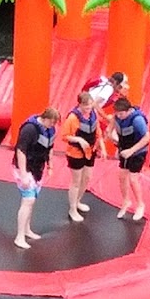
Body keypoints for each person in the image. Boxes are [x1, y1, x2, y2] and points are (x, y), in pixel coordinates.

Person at [12, 107, 58, 250]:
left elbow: (50, 148)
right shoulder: (30, 129)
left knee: (32, 201)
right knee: (28, 200)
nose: (52, 125)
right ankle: (19, 236)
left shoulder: (50, 130)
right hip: (24, 168)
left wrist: (50, 165)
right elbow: (21, 150)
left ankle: (27, 229)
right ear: (45, 118)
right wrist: (23, 174)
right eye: (51, 122)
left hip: (37, 168)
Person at [61, 89, 100, 223]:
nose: (88, 108)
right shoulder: (72, 118)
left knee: (87, 177)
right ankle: (72, 209)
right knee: (76, 181)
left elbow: (97, 129)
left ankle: (77, 201)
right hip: (76, 153)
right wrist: (78, 139)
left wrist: (100, 144)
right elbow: (64, 136)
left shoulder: (93, 113)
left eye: (90, 105)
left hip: (90, 151)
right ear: (80, 105)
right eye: (86, 105)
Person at [111, 94, 150, 221]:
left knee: (133, 178)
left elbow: (147, 138)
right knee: (122, 176)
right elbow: (111, 131)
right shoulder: (116, 117)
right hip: (125, 150)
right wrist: (117, 145)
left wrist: (131, 151)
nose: (119, 116)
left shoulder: (137, 120)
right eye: (117, 114)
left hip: (138, 151)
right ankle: (126, 201)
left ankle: (140, 205)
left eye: (121, 114)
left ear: (128, 111)